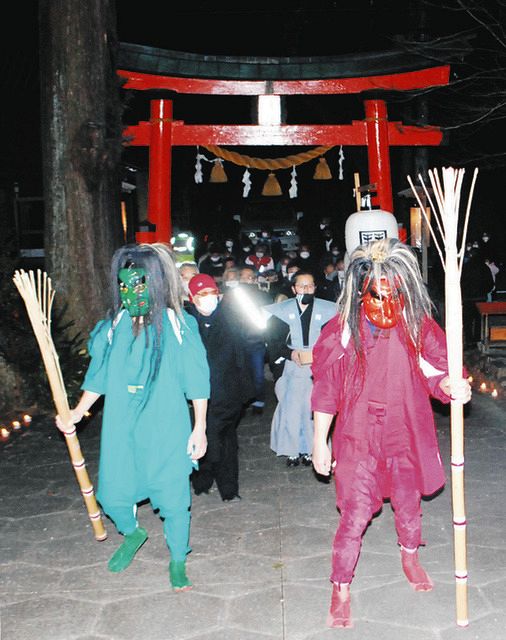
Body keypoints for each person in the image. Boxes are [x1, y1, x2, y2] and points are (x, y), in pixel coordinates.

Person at [310, 238, 472, 628]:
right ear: (361, 291)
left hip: (405, 427)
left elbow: (439, 371)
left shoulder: (416, 323)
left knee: (408, 500)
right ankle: (341, 584)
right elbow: (326, 390)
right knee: (354, 512)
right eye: (376, 295)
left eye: (393, 294)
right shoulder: (342, 332)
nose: (385, 304)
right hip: (358, 433)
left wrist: (456, 385)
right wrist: (320, 441)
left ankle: (410, 554)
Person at [55, 243, 210, 591]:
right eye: (124, 284)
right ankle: (133, 532)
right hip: (122, 425)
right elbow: (98, 377)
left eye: (138, 283)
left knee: (173, 500)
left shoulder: (178, 325)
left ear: (154, 283)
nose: (130, 292)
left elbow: (198, 381)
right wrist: (78, 413)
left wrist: (199, 428)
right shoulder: (114, 327)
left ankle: (178, 559)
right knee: (112, 494)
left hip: (166, 422)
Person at [186, 273, 255, 501]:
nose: (209, 299)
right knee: (202, 435)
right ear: (192, 298)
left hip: (227, 392)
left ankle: (228, 488)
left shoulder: (231, 320)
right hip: (194, 394)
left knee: (224, 439)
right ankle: (202, 480)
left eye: (212, 294)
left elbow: (242, 356)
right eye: (202, 295)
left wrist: (246, 390)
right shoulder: (185, 323)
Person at [264, 271, 335, 466]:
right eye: (302, 286)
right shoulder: (281, 312)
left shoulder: (328, 310)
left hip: (318, 368)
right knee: (291, 409)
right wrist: (290, 354)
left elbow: (333, 339)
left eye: (310, 286)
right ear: (294, 289)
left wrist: (321, 354)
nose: (306, 290)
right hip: (292, 369)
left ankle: (313, 450)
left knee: (314, 410)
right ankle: (292, 450)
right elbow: (273, 340)